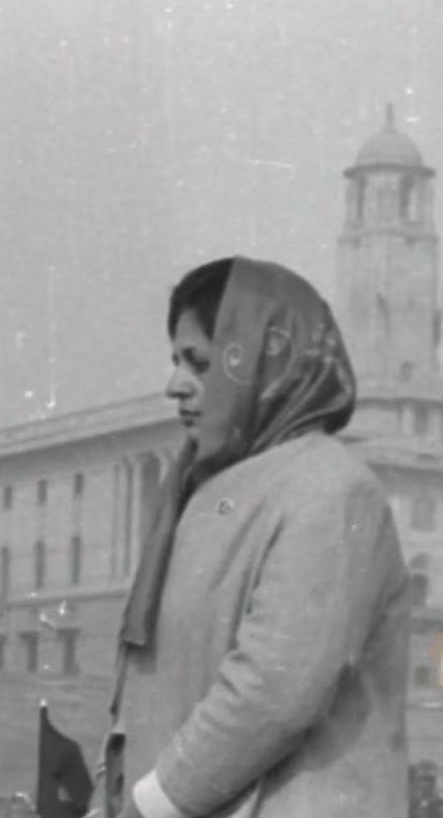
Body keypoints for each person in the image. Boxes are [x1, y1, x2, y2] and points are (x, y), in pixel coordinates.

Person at [95, 257, 410, 818]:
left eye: (200, 363)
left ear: (266, 362)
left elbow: (275, 690)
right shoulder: (197, 490)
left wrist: (149, 804)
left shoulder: (330, 490)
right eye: (175, 361)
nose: (174, 385)